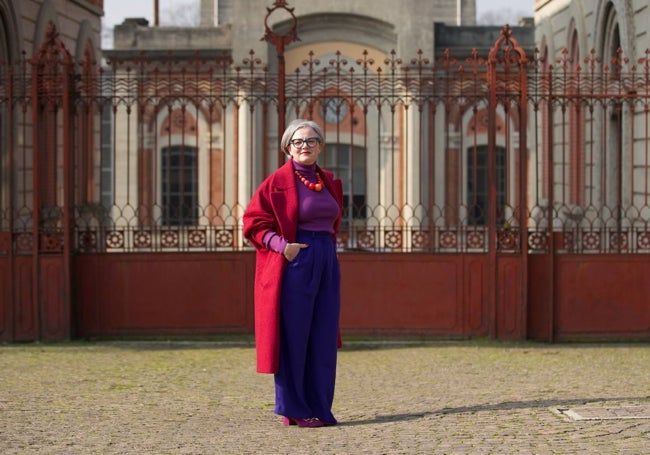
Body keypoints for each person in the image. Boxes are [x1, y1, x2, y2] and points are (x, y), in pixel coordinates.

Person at [243, 119, 343, 428]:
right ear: (288, 147)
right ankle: (294, 408)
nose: (305, 146)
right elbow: (253, 222)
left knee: (323, 336)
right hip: (296, 260)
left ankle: (320, 407)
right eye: (298, 142)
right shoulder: (277, 182)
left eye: (311, 141)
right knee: (294, 337)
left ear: (320, 146)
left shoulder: (327, 181)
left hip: (326, 259)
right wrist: (282, 246)